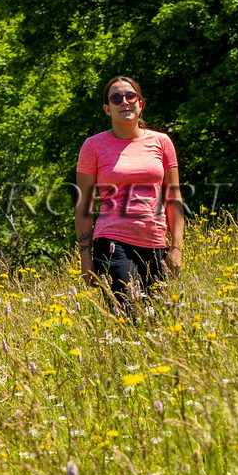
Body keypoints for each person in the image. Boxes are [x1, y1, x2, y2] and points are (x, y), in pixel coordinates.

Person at [75, 76, 183, 311]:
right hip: (113, 242)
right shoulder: (93, 146)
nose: (124, 102)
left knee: (156, 319)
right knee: (129, 313)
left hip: (155, 242)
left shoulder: (161, 142)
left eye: (130, 96)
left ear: (140, 103)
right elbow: (84, 206)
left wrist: (176, 249)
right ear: (107, 108)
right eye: (116, 98)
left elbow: (174, 199)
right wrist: (85, 258)